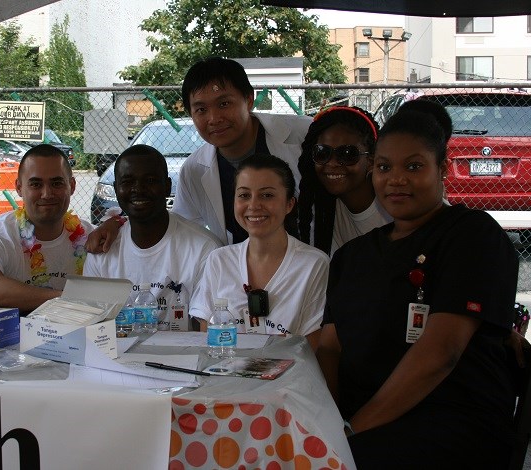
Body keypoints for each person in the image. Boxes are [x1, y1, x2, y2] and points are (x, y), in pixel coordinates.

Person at [317, 101, 518, 468]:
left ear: (442, 169)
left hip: (449, 419)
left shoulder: (472, 236)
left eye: (413, 166)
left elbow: (442, 352)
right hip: (359, 417)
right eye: (383, 167)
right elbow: (330, 348)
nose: (396, 179)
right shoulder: (353, 256)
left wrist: (349, 432)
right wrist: (329, 421)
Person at [86, 56, 312, 252]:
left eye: (224, 103)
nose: (214, 118)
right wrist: (118, 224)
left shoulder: (304, 136)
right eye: (201, 109)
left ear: (249, 99)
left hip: (319, 266)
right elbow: (178, 226)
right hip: (244, 278)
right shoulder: (194, 170)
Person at [190, 154, 329, 351]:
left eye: (267, 195)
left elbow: (312, 348)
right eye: (244, 195)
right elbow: (207, 340)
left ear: (289, 204)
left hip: (288, 380)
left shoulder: (313, 264)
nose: (254, 205)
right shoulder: (219, 260)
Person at [84, 144, 221, 330]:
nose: (138, 189)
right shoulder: (102, 249)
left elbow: (204, 330)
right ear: (116, 189)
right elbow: (93, 326)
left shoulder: (204, 248)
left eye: (150, 180)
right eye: (127, 182)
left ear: (167, 187)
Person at [0, 144, 93, 315]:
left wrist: (114, 224)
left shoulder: (91, 237)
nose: (47, 194)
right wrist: (68, 300)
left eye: (56, 183)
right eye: (35, 184)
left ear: (72, 186)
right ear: (19, 187)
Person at [297, 106, 391, 255]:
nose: (332, 163)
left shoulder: (395, 210)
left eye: (347, 154)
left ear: (371, 161)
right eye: (322, 153)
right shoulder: (324, 209)